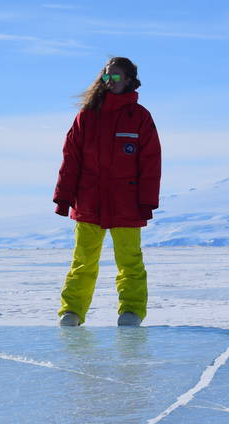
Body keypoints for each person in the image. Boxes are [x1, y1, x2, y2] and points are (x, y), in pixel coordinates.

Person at [53, 57, 161, 327]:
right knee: (83, 261)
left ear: (128, 80)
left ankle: (132, 311)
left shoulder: (140, 118)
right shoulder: (87, 115)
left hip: (126, 204)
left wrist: (147, 202)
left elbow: (150, 163)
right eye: (106, 77)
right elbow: (71, 159)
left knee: (130, 262)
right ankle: (72, 311)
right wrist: (64, 198)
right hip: (88, 202)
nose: (109, 82)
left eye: (115, 77)